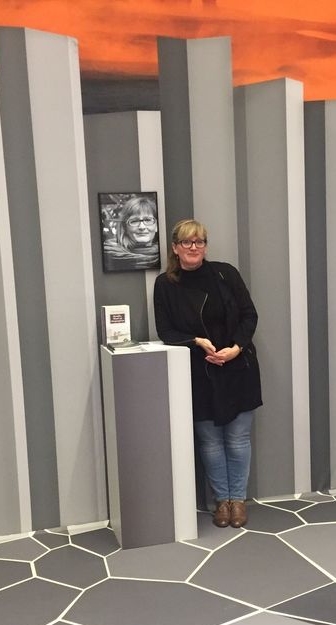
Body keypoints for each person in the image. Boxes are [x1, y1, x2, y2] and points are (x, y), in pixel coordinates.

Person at [153, 219, 262, 528]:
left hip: (237, 367)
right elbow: (165, 331)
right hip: (198, 371)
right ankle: (222, 501)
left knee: (238, 439)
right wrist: (197, 342)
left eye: (199, 241)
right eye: (187, 242)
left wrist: (236, 348)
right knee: (210, 442)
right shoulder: (165, 284)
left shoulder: (226, 274)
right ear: (175, 248)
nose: (194, 247)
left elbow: (249, 315)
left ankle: (238, 500)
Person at [102, 195, 160, 271]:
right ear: (125, 227)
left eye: (148, 220)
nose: (142, 227)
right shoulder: (108, 254)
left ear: (156, 226)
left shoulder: (163, 254)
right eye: (134, 221)